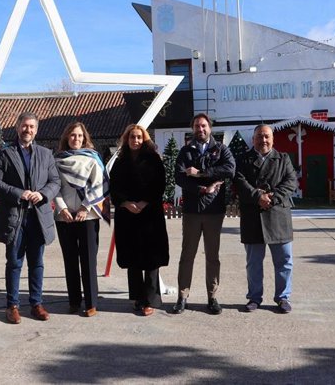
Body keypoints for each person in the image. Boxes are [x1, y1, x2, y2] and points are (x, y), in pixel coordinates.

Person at [0, 111, 60, 324]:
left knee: (37, 262)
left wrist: (43, 194)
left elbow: (55, 181)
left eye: (31, 127)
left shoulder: (46, 154)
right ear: (17, 127)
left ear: (36, 130)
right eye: (24, 126)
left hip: (38, 217)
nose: (27, 130)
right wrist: (18, 193)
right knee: (14, 262)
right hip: (15, 216)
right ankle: (12, 305)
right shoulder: (5, 154)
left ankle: (36, 303)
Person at [172, 113, 235, 315]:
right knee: (187, 255)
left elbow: (229, 170)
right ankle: (182, 297)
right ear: (193, 129)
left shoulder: (221, 150)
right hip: (192, 210)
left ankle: (212, 296)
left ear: (210, 127)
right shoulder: (185, 151)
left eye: (204, 126)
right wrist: (202, 188)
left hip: (214, 210)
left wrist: (200, 173)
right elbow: (180, 177)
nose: (201, 129)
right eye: (197, 126)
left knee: (212, 256)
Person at [234, 124, 298, 314]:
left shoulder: (284, 159)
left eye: (267, 136)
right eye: (259, 136)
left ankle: (283, 297)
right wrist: (257, 197)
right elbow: (239, 181)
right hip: (253, 217)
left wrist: (272, 198)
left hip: (278, 216)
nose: (263, 140)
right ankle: (254, 297)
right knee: (254, 262)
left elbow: (291, 182)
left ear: (272, 139)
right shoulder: (243, 160)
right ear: (253, 139)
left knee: (284, 261)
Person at [110, 124, 169, 316]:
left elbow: (160, 184)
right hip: (127, 215)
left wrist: (144, 202)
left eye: (138, 137)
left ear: (144, 139)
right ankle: (137, 297)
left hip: (149, 214)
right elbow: (114, 187)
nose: (135, 140)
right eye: (132, 137)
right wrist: (125, 203)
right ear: (126, 140)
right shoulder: (120, 162)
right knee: (133, 257)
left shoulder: (153, 160)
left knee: (151, 259)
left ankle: (151, 300)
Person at [54, 122, 110, 317]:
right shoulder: (57, 160)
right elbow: (55, 187)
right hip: (65, 218)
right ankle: (74, 301)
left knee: (88, 261)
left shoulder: (92, 159)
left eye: (79, 136)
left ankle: (91, 303)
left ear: (84, 138)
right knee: (70, 260)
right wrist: (62, 209)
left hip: (88, 216)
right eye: (72, 135)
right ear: (66, 138)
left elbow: (98, 186)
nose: (76, 139)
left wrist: (85, 207)